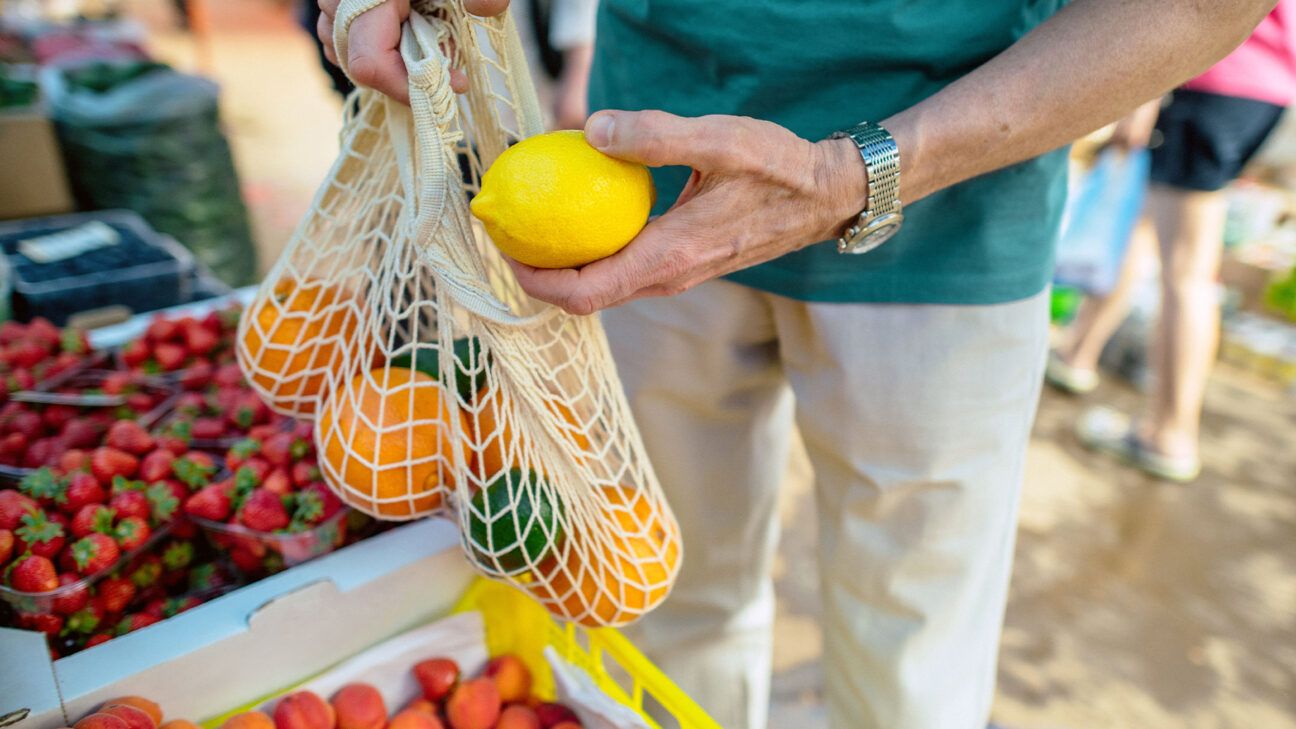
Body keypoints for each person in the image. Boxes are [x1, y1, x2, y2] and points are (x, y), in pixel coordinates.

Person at [318, 1, 1276, 727]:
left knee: (913, 658)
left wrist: (850, 176)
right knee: (661, 603)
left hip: (957, 213)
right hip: (634, 196)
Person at [1051, 6, 1296, 482]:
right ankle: (1077, 351)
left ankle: (1169, 434)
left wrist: (1142, 96)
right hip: (1266, 86)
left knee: (1187, 270)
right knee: (1145, 227)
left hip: (1214, 81)